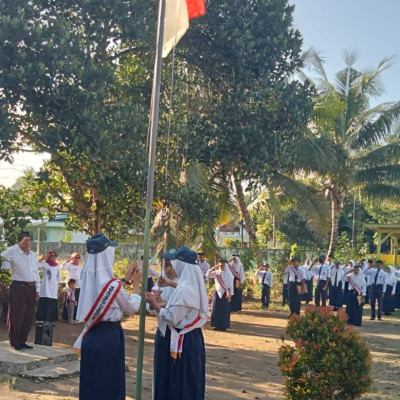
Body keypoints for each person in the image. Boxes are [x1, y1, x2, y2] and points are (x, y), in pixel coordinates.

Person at [74, 233, 142, 400]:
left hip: (91, 336)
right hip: (109, 337)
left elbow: (111, 295)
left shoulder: (88, 278)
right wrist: (137, 284)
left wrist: (125, 279)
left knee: (93, 383)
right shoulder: (111, 284)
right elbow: (132, 306)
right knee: (109, 383)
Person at [145, 246, 209, 400]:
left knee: (178, 380)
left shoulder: (183, 289)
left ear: (180, 265)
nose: (169, 268)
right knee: (185, 380)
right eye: (166, 265)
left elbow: (172, 317)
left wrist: (155, 305)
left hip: (180, 339)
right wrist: (160, 303)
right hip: (188, 338)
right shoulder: (190, 285)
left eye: (172, 264)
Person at [1, 232, 40, 350]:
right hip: (19, 287)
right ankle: (15, 341)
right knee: (17, 315)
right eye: (25, 241)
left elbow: (36, 272)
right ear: (19, 242)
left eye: (29, 240)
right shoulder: (14, 252)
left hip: (31, 286)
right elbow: (3, 254)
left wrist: (37, 289)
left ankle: (23, 339)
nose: (27, 243)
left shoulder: (33, 255)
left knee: (28, 316)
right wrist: (17, 246)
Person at [206, 259, 235, 331]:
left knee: (224, 310)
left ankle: (223, 326)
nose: (221, 266)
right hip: (217, 292)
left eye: (223, 265)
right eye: (220, 265)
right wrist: (213, 268)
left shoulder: (229, 274)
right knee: (216, 308)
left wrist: (230, 295)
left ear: (226, 265)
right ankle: (216, 325)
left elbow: (231, 286)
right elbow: (207, 275)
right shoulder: (217, 272)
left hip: (226, 293)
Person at [36, 250, 61, 323]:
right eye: (52, 256)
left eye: (54, 256)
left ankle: (50, 320)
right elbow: (36, 266)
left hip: (53, 286)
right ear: (49, 256)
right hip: (46, 286)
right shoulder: (44, 264)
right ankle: (42, 319)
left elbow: (58, 276)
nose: (53, 258)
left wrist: (59, 286)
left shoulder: (57, 266)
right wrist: (41, 259)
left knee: (52, 302)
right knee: (45, 301)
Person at [61, 252, 82, 320]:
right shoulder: (69, 265)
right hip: (70, 287)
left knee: (76, 301)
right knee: (68, 301)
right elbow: (62, 267)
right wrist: (66, 261)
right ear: (72, 258)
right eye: (76, 257)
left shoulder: (80, 267)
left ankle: (74, 316)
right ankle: (66, 316)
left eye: (78, 257)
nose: (77, 259)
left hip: (78, 286)